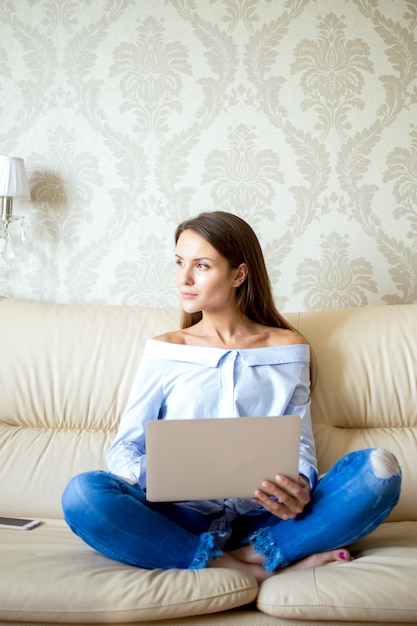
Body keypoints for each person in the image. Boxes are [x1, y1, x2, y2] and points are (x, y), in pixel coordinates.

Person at [62, 211, 402, 582]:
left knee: (380, 471)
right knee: (82, 495)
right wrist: (160, 475)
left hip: (263, 516)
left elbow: (299, 442)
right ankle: (251, 568)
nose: (184, 278)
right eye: (179, 263)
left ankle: (253, 551)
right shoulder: (166, 349)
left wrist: (300, 485)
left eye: (201, 265)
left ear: (239, 274)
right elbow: (122, 450)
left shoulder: (289, 347)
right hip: (181, 516)